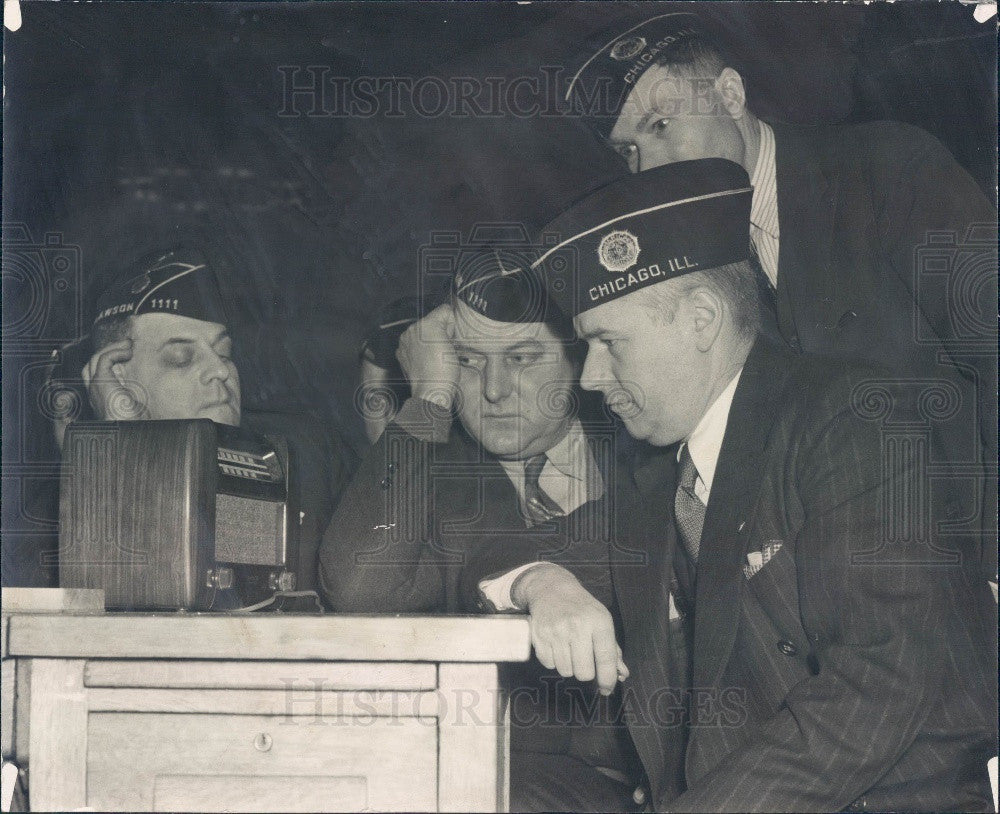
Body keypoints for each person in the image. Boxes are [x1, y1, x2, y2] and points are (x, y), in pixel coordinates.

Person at [466, 159, 998, 812]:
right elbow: (490, 556)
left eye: (608, 342)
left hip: (876, 800)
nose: (590, 378)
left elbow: (881, 682)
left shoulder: (850, 419)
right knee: (475, 783)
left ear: (701, 320)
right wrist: (541, 583)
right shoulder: (663, 470)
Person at [563, 11, 998, 580]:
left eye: (662, 125)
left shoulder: (889, 173)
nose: (649, 168)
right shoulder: (687, 265)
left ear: (730, 92)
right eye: (628, 152)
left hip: (961, 579)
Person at [319, 250, 646, 812]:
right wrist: (429, 399)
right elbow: (357, 587)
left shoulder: (644, 442)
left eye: (522, 358)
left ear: (577, 355)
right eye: (468, 362)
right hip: (500, 782)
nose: (494, 390)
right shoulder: (429, 473)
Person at [71, 245, 354, 599]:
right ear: (120, 378)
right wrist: (129, 443)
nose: (221, 370)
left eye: (224, 353)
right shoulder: (83, 483)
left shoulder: (309, 451)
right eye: (181, 357)